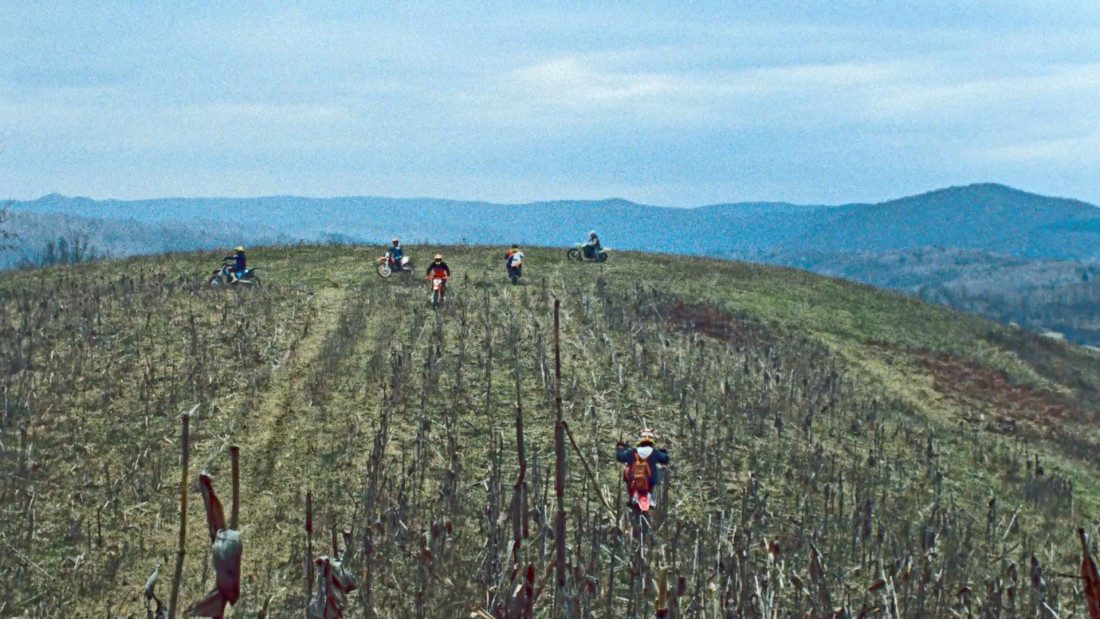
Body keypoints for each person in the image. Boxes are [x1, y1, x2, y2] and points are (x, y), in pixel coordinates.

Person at [616, 428, 669, 509]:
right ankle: (652, 497)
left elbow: (620, 457)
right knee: (658, 471)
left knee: (627, 471)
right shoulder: (654, 453)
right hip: (650, 483)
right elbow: (665, 459)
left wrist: (620, 449)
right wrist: (663, 452)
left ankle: (630, 498)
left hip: (634, 482)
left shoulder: (632, 452)